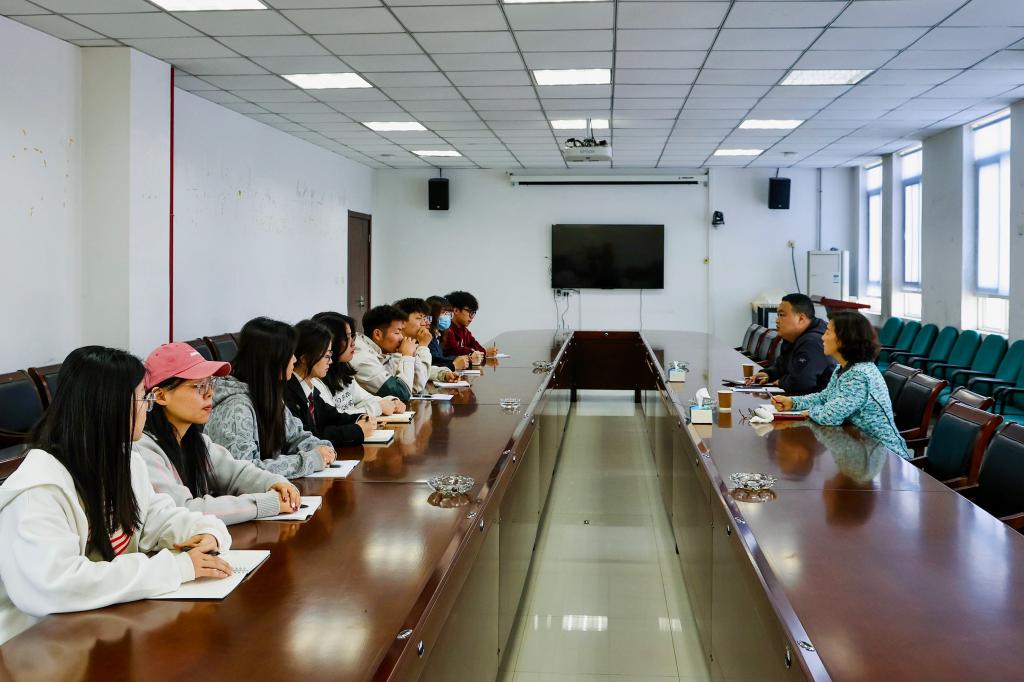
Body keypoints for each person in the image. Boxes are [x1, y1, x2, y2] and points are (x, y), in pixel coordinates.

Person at [0, 346, 232, 645]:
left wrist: (207, 532)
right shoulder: (38, 489)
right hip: (34, 644)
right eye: (143, 399)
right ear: (109, 406)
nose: (148, 409)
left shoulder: (125, 460)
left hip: (102, 627)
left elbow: (156, 517)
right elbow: (54, 586)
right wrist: (176, 567)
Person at [136, 342, 303, 525]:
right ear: (160, 396)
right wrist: (264, 504)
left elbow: (236, 474)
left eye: (210, 383)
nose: (210, 393)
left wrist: (275, 483)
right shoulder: (143, 450)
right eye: (199, 386)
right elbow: (183, 510)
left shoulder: (195, 440)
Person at [205, 317, 337, 478]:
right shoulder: (235, 408)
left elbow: (296, 436)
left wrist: (322, 449)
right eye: (290, 354)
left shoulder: (267, 393)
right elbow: (244, 472)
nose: (295, 360)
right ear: (273, 360)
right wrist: (309, 460)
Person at [772, 311, 910, 459]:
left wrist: (809, 412)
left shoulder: (859, 375)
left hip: (885, 455)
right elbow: (824, 397)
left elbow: (830, 417)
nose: (822, 337)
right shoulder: (844, 368)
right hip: (859, 447)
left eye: (827, 332)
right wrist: (793, 402)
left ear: (844, 339)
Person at [285, 319, 376, 449]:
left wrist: (361, 418)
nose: (331, 361)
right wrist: (357, 430)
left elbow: (331, 416)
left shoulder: (309, 388)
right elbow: (311, 436)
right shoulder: (288, 394)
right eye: (327, 356)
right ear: (305, 358)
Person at [311, 311, 406, 418]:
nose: (353, 343)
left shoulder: (342, 371)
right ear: (332, 341)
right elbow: (335, 417)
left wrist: (390, 401)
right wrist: (378, 407)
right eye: (347, 337)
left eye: (352, 336)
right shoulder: (316, 381)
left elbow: (363, 399)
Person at [749, 293, 835, 395]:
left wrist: (781, 382)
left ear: (801, 319)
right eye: (777, 315)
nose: (777, 320)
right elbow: (782, 366)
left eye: (782, 315)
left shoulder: (813, 341)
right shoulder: (794, 336)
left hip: (817, 402)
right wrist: (768, 374)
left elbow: (801, 383)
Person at [349, 305, 417, 401]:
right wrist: (407, 356)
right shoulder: (363, 358)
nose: (402, 338)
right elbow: (402, 393)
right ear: (378, 334)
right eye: (397, 332)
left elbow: (415, 385)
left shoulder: (382, 351)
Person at [393, 297, 459, 391]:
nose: (426, 322)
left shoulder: (411, 343)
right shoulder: (394, 347)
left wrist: (442, 374)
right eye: (419, 318)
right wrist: (423, 346)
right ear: (402, 322)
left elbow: (417, 369)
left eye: (426, 318)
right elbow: (418, 384)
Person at [442, 290, 497, 364]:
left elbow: (476, 346)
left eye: (473, 313)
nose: (472, 317)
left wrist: (480, 352)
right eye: (470, 312)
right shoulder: (446, 329)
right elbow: (455, 351)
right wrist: (483, 352)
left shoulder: (465, 331)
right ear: (456, 310)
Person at [425, 295, 470, 370]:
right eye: (444, 313)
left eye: (449, 313)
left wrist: (463, 359)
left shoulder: (439, 334)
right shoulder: (427, 334)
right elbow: (434, 360)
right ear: (432, 314)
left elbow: (442, 357)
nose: (447, 317)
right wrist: (458, 360)